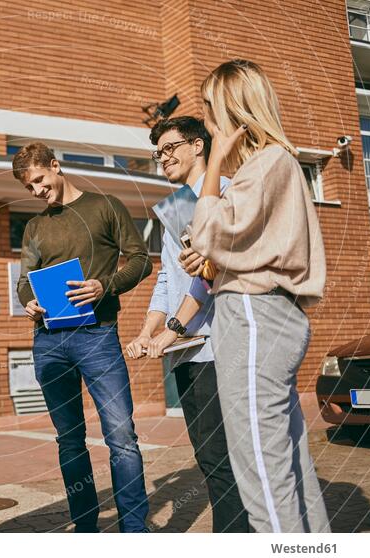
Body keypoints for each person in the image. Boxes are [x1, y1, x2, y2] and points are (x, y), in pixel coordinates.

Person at [182, 59, 330, 533]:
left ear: (232, 110)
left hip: (252, 314)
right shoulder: (276, 165)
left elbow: (206, 230)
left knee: (259, 466)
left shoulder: (265, 164)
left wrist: (211, 168)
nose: (206, 123)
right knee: (287, 458)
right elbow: (231, 244)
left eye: (209, 111)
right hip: (274, 313)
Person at [13, 142, 153, 533]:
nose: (38, 191)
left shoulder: (105, 206)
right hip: (48, 341)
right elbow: (25, 280)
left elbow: (142, 260)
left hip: (98, 336)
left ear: (55, 167)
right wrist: (28, 302)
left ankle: (135, 530)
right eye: (30, 188)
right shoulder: (35, 226)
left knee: (121, 436)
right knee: (70, 440)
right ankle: (86, 528)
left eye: (40, 181)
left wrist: (103, 286)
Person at [126, 116, 249, 533]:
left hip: (224, 345)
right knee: (209, 456)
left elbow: (210, 275)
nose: (163, 158)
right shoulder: (173, 207)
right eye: (157, 152)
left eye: (170, 148)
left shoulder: (230, 192)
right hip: (188, 351)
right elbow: (168, 278)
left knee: (224, 455)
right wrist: (148, 330)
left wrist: (171, 329)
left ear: (198, 146)